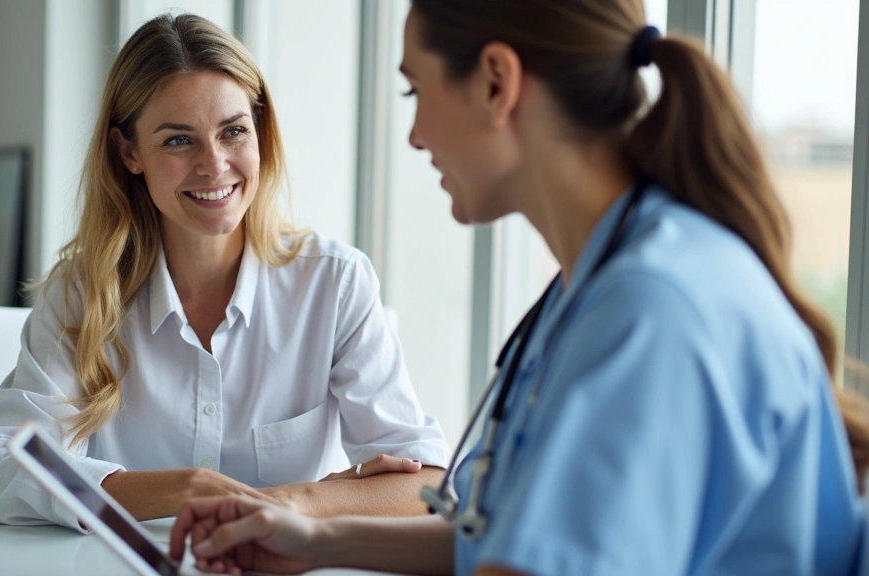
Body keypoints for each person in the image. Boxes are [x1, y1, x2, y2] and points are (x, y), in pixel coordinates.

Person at [166, 1, 869, 575]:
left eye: (416, 90)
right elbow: (501, 539)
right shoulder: (590, 288)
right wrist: (316, 541)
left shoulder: (652, 309)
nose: (411, 136)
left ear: (498, 82)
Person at [0, 13, 450, 530]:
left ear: (260, 132)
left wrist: (295, 501)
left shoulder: (335, 283)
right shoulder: (83, 293)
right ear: (129, 152)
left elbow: (426, 483)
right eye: (177, 140)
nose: (214, 165)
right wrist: (187, 488)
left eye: (233, 132)